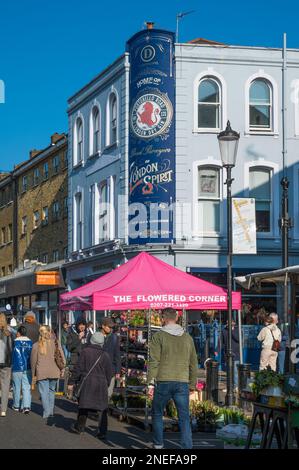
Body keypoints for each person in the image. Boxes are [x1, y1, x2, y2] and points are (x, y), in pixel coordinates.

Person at [148, 308, 198, 449]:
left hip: (163, 380)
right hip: (182, 382)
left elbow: (154, 361)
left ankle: (158, 445)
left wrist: (150, 384)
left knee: (157, 413)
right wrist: (193, 384)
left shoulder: (158, 336)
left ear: (163, 318)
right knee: (184, 417)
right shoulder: (188, 338)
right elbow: (194, 363)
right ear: (176, 318)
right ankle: (187, 447)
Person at [69, 332, 113, 439]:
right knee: (102, 408)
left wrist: (71, 382)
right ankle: (102, 432)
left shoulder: (85, 352)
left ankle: (79, 427)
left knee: (84, 405)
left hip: (87, 382)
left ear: (92, 340)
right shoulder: (106, 355)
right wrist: (106, 383)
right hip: (101, 384)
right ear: (102, 342)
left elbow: (78, 369)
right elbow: (109, 373)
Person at [31, 325, 65, 419]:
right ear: (50, 331)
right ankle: (50, 412)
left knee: (44, 393)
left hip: (41, 372)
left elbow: (33, 361)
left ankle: (47, 412)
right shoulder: (55, 343)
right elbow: (62, 356)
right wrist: (62, 368)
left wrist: (33, 374)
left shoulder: (35, 345)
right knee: (51, 391)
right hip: (54, 371)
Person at [98, 317, 121, 433]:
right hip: (98, 370)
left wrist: (118, 371)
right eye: (109, 326)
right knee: (99, 393)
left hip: (110, 370)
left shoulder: (114, 338)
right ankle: (100, 409)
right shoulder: (96, 336)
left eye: (112, 327)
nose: (111, 329)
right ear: (103, 326)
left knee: (108, 394)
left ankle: (103, 411)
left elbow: (117, 355)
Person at [11, 325, 33, 414]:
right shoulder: (31, 342)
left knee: (16, 387)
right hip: (27, 367)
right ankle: (26, 406)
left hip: (16, 367)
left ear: (19, 333)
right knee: (26, 387)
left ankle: (16, 405)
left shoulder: (14, 342)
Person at [0, 313, 13, 417]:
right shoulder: (8, 333)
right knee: (5, 386)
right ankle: (3, 409)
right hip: (6, 362)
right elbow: (11, 349)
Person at [222, 320, 240, 390]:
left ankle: (236, 386)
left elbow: (238, 339)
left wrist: (231, 331)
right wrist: (217, 350)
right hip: (227, 354)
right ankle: (229, 387)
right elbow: (222, 341)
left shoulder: (237, 330)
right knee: (229, 371)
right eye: (227, 323)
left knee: (235, 372)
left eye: (231, 323)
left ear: (234, 324)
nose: (228, 325)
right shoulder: (224, 331)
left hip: (236, 354)